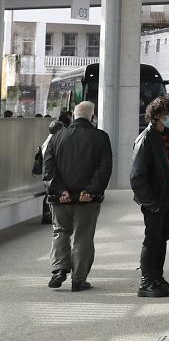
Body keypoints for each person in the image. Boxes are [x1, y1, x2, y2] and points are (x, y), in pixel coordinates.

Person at [42, 101, 111, 292]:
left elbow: (48, 168)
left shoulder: (57, 137)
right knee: (83, 237)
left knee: (60, 232)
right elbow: (104, 169)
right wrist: (90, 190)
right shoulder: (101, 137)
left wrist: (59, 190)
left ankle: (59, 269)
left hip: (61, 199)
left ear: (73, 115)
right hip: (87, 200)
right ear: (93, 116)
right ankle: (78, 280)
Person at [130, 97, 169, 298]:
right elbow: (137, 176)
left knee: (162, 238)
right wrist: (150, 202)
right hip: (153, 199)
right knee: (152, 239)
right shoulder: (145, 139)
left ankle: (157, 277)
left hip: (167, 196)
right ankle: (146, 282)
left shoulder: (167, 134)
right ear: (157, 116)